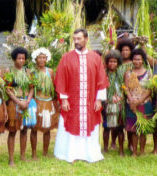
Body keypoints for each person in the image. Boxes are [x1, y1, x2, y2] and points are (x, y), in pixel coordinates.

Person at [54, 29, 109, 163]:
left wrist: (99, 99)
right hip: (72, 101)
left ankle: (89, 154)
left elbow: (101, 79)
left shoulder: (95, 58)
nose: (76, 41)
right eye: (74, 39)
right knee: (71, 122)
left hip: (90, 101)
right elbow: (61, 78)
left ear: (86, 39)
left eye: (79, 38)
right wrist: (64, 99)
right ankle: (70, 153)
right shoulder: (66, 57)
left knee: (89, 123)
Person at [4, 47, 34, 166]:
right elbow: (7, 90)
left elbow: (32, 88)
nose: (21, 60)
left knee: (24, 130)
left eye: (23, 58)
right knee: (12, 131)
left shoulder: (28, 72)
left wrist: (27, 101)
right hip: (14, 103)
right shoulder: (9, 71)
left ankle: (22, 156)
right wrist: (19, 102)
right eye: (19, 58)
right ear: (14, 59)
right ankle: (11, 159)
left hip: (26, 103)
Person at [124, 49, 153, 157]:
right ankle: (134, 151)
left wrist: (140, 101)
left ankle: (142, 151)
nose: (137, 61)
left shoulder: (148, 73)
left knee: (143, 129)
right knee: (134, 129)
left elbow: (150, 89)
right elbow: (126, 88)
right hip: (131, 104)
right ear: (132, 60)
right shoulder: (128, 73)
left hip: (144, 103)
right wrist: (132, 101)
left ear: (143, 60)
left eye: (139, 59)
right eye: (135, 59)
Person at [31, 48, 59, 157]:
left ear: (46, 59)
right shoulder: (33, 73)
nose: (42, 60)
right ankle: (33, 153)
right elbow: (31, 89)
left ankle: (45, 152)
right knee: (34, 129)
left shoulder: (50, 71)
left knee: (47, 129)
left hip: (48, 103)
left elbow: (54, 88)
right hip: (37, 101)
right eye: (40, 58)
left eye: (44, 58)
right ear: (36, 59)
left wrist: (55, 102)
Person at [102, 50, 125, 156]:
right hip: (107, 103)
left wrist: (121, 97)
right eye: (110, 61)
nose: (112, 64)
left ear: (118, 62)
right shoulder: (103, 74)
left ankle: (121, 150)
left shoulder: (121, 74)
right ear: (107, 62)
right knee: (106, 127)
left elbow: (125, 87)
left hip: (119, 103)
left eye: (115, 62)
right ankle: (105, 148)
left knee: (120, 127)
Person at [116, 39, 135, 152]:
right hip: (118, 94)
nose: (124, 52)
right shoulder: (118, 63)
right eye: (122, 50)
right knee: (119, 121)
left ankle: (130, 144)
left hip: (130, 95)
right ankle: (117, 143)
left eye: (127, 50)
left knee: (129, 120)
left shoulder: (133, 64)